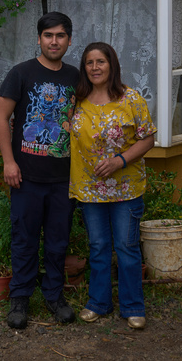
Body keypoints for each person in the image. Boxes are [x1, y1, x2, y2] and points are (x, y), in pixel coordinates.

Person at [0, 11, 79, 329]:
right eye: (48, 35)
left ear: (68, 40)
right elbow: (2, 117)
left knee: (58, 241)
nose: (54, 41)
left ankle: (54, 296)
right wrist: (9, 161)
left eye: (60, 36)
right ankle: (20, 299)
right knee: (24, 239)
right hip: (26, 176)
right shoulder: (21, 73)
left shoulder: (76, 77)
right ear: (39, 39)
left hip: (63, 178)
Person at [69, 41, 156, 330]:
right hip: (89, 188)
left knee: (127, 246)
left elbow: (147, 139)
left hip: (126, 188)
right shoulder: (77, 101)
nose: (94, 67)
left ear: (112, 65)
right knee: (98, 246)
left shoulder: (131, 99)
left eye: (100, 62)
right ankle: (98, 302)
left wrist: (119, 161)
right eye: (89, 63)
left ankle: (133, 306)